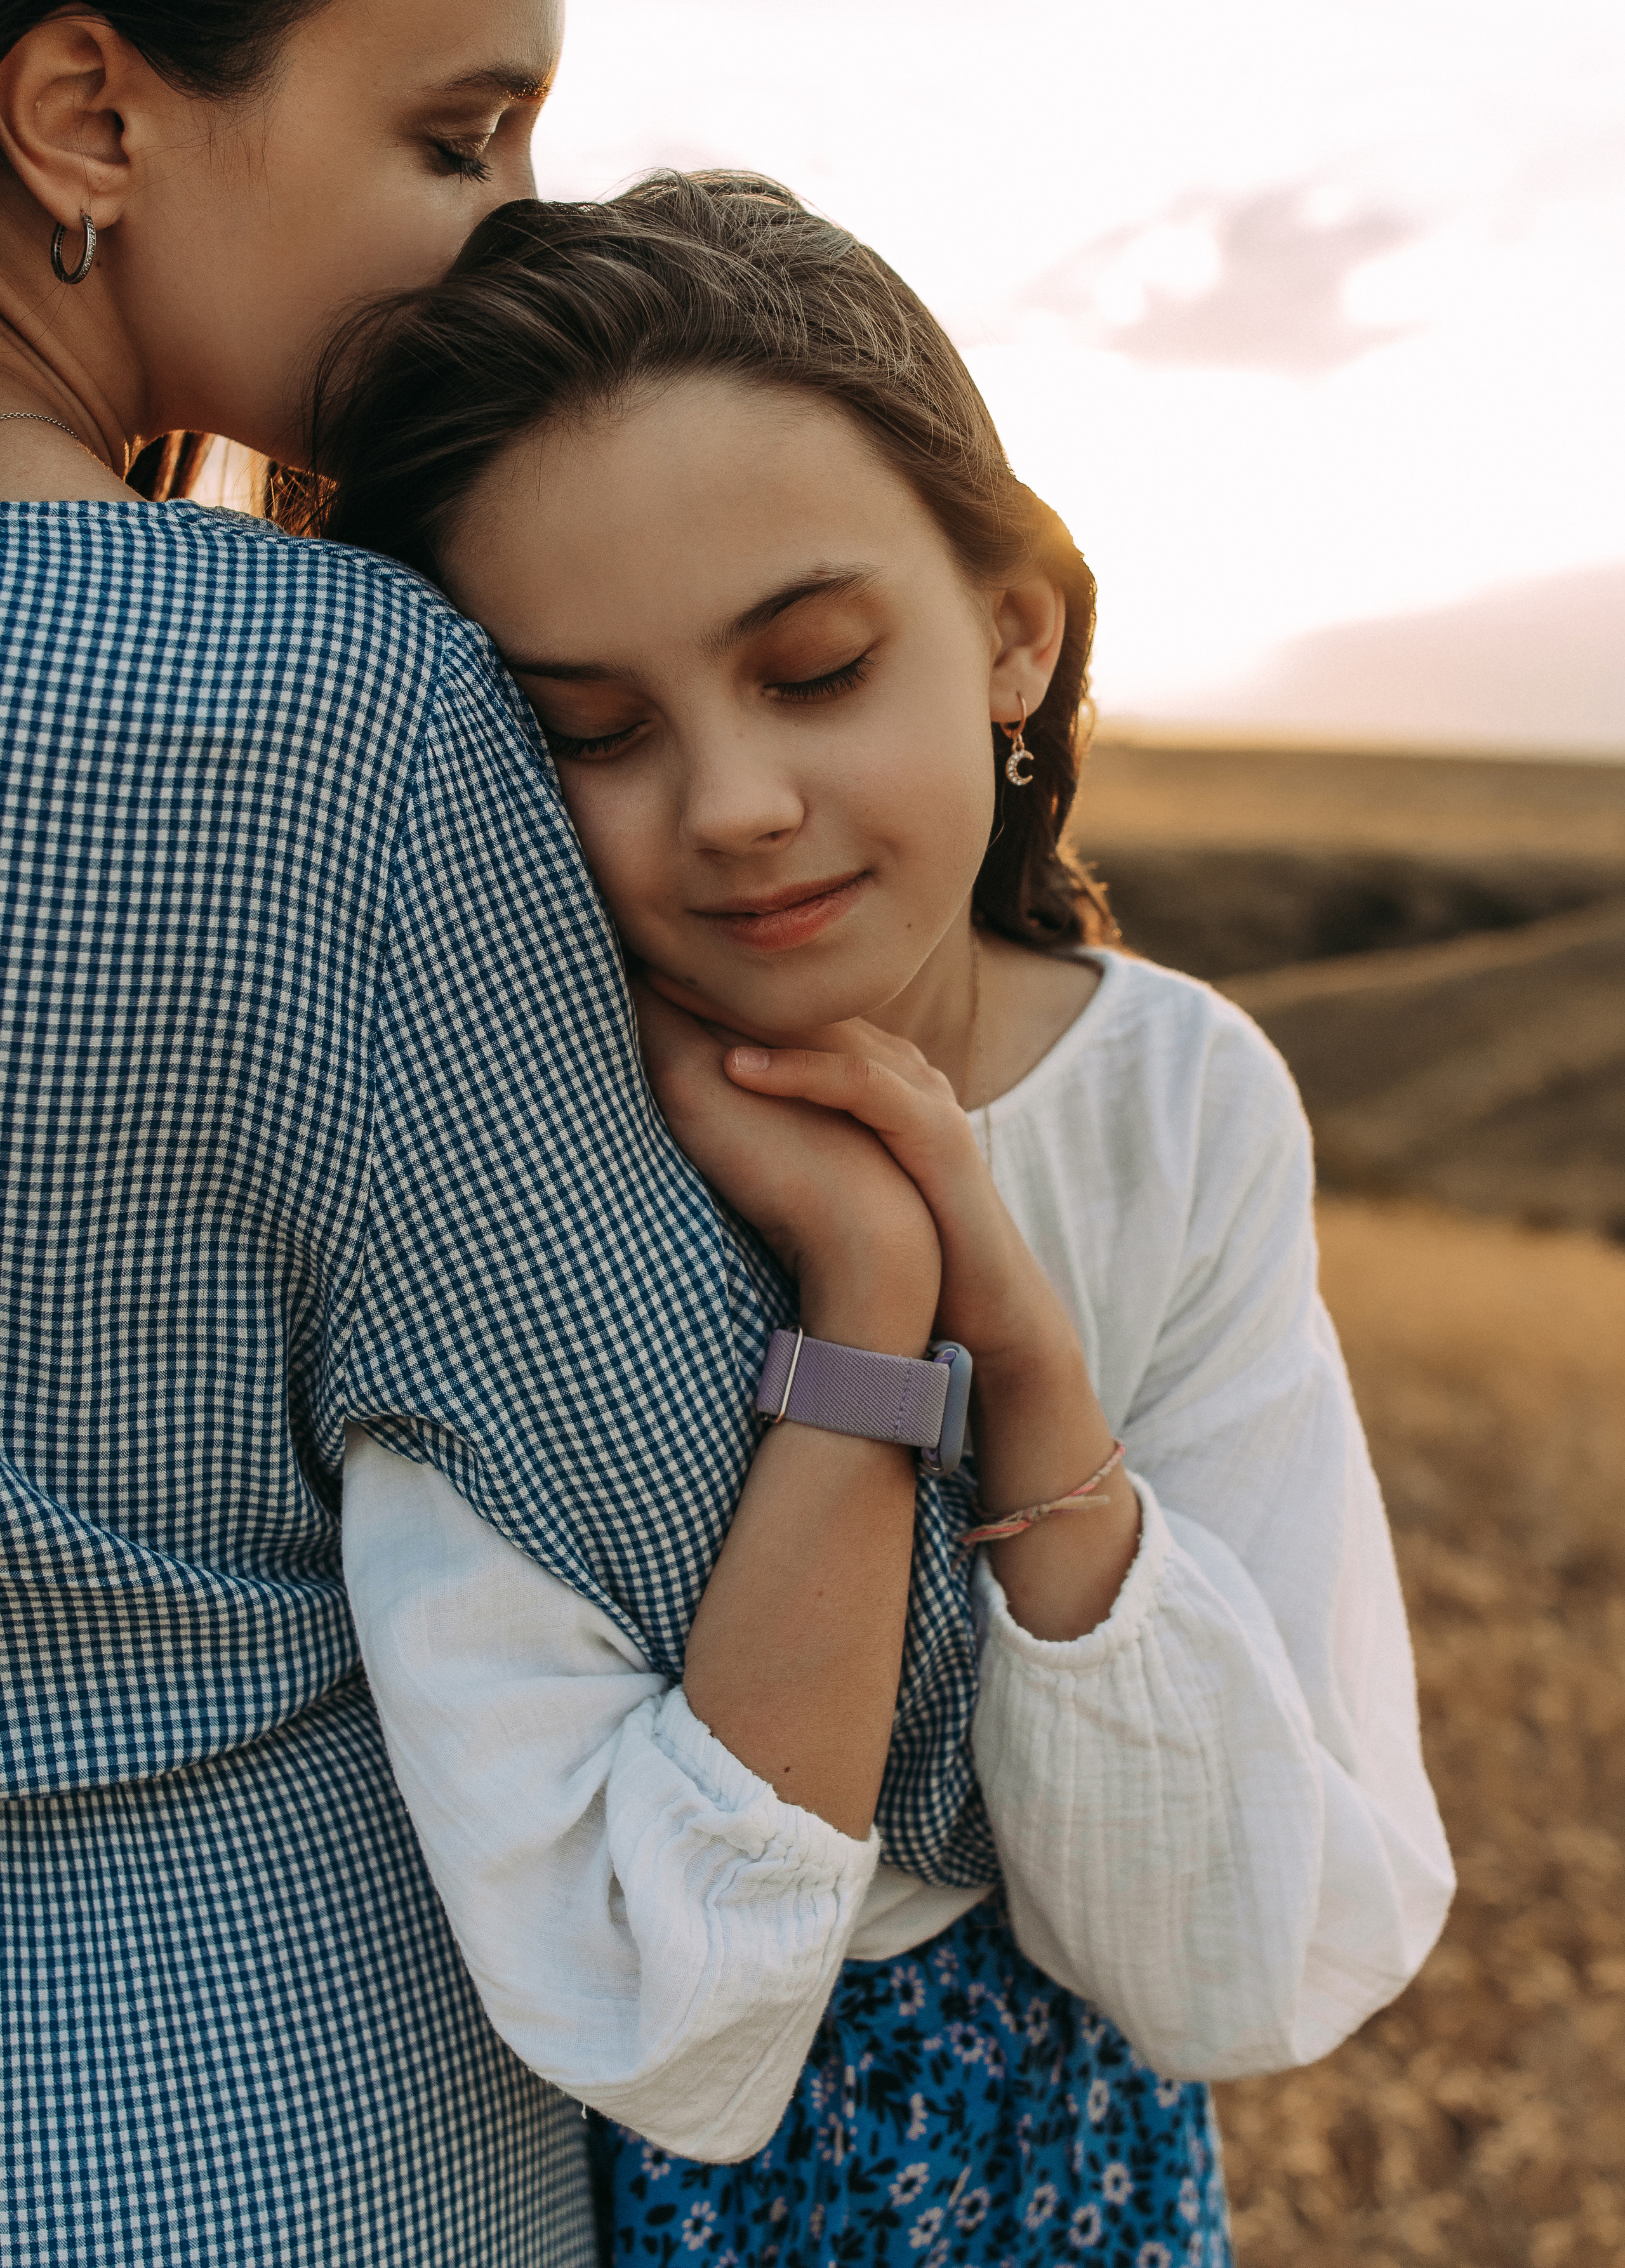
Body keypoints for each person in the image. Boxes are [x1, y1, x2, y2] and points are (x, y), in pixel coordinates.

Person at [310, 174, 1457, 2267]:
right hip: (595, 2196)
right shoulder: (472, 1166)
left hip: (1087, 2178)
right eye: (589, 732)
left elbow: (1230, 1959)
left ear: (1013, 629)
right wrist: (867, 1300)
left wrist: (1024, 1356)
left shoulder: (1176, 1097)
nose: (733, 799)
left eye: (816, 668)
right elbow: (673, 2020)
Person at [1, 0, 855, 2264]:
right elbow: (741, 1618)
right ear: (87, 113)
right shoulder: (312, 714)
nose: (503, 235)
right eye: (458, 137)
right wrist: (896, 1320)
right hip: (226, 2141)